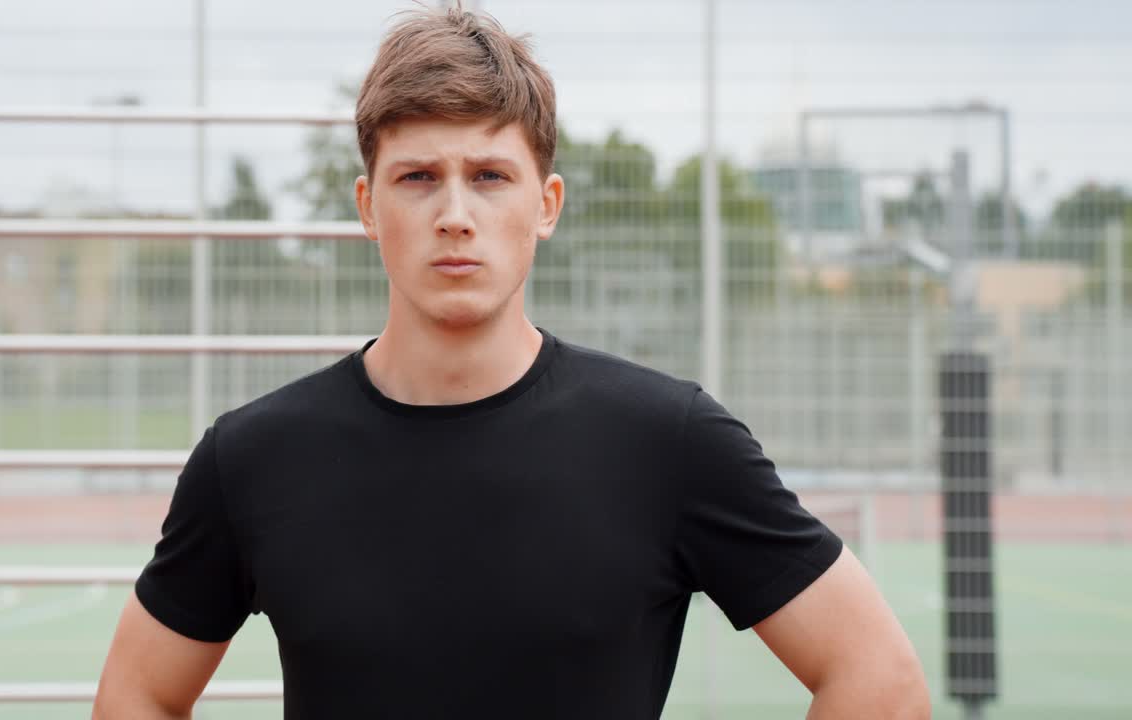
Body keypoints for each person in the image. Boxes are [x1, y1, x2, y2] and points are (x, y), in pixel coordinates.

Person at [93, 4, 929, 719]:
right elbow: (138, 693)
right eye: (418, 176)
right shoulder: (252, 460)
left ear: (546, 204)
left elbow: (879, 680)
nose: (455, 213)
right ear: (367, 206)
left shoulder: (669, 442)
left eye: (490, 175)